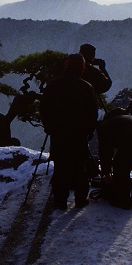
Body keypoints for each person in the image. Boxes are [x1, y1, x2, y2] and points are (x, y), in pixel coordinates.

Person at [40, 53, 99, 209]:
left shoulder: (53, 85)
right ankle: (80, 199)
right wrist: (88, 131)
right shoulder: (86, 87)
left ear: (66, 65)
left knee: (60, 166)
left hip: (58, 133)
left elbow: (44, 109)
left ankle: (60, 200)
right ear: (82, 68)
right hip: (78, 134)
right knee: (79, 166)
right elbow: (93, 113)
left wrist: (49, 127)